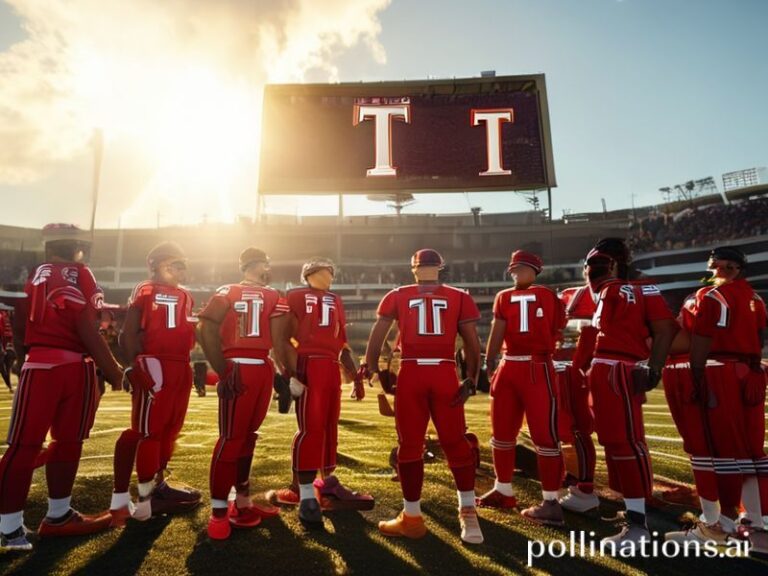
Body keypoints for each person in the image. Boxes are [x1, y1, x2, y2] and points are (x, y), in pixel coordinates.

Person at [0, 224, 123, 551]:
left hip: (40, 363)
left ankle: (16, 524)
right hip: (72, 365)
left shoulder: (36, 273)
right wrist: (113, 369)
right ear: (77, 247)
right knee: (64, 442)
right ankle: (49, 516)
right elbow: (85, 324)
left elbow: (22, 320)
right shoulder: (79, 273)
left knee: (27, 444)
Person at [364, 248, 484, 544]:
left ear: (414, 269)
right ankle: (468, 514)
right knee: (455, 441)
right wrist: (471, 378)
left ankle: (412, 517)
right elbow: (472, 342)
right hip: (444, 371)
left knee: (410, 446)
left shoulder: (397, 295)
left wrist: (372, 368)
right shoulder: (459, 296)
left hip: (412, 372)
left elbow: (377, 337)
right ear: (440, 268)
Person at [665, 247, 767, 552]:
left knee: (716, 452)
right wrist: (752, 365)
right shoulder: (755, 298)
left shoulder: (710, 296)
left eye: (720, 267)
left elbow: (702, 338)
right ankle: (758, 526)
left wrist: (696, 373)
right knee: (752, 452)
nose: (716, 272)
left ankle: (717, 524)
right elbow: (759, 335)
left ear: (733, 268)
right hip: (747, 370)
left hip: (719, 370)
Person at [583, 237, 678, 544]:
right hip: (613, 366)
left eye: (596, 266)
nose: (590, 272)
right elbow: (664, 329)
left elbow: (665, 330)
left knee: (625, 443)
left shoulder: (624, 289)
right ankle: (633, 512)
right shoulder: (638, 288)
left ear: (613, 265)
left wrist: (653, 366)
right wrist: (654, 365)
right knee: (618, 442)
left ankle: (638, 526)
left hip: (615, 367)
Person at [272, 257, 373, 527]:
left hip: (329, 366)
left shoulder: (335, 299)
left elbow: (342, 345)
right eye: (326, 269)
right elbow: (281, 337)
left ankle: (325, 482)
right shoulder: (293, 295)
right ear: (310, 273)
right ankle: (303, 492)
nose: (331, 272)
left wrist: (355, 377)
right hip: (308, 362)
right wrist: (289, 372)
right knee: (311, 427)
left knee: (329, 427)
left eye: (332, 269)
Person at [197, 248, 286, 540]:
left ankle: (242, 502)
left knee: (248, 436)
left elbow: (279, 338)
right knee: (232, 439)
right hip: (244, 364)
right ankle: (219, 513)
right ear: (257, 265)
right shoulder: (254, 293)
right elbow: (205, 326)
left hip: (261, 365)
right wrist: (222, 369)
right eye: (265, 263)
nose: (268, 268)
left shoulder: (259, 293)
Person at [109, 242, 200, 524]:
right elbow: (129, 332)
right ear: (163, 265)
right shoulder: (146, 289)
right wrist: (133, 364)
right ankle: (146, 498)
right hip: (155, 361)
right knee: (151, 430)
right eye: (179, 263)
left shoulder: (186, 295)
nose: (185, 268)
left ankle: (158, 484)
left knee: (172, 428)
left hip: (180, 363)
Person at [478, 250, 567, 526]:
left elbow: (558, 330)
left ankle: (551, 501)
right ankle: (503, 489)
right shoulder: (510, 296)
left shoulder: (541, 295)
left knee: (544, 436)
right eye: (514, 268)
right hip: (511, 365)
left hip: (535, 366)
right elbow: (498, 330)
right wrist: (489, 361)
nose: (516, 272)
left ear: (535, 270)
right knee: (501, 433)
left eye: (522, 268)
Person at [556, 282, 600, 513]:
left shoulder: (591, 299)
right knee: (565, 429)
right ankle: (575, 478)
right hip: (567, 369)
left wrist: (580, 366)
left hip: (575, 372)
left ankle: (584, 486)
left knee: (577, 429)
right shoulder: (570, 297)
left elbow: (588, 336)